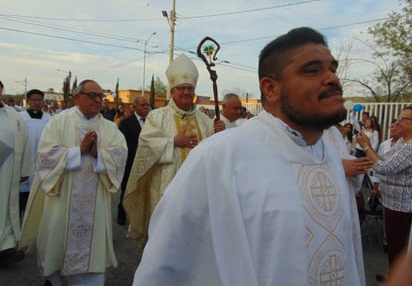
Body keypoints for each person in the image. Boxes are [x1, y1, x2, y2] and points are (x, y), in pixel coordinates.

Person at [131, 27, 365, 285]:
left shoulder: (329, 155)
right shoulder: (219, 157)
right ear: (270, 88)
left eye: (333, 68)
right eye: (312, 70)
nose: (332, 78)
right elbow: (165, 267)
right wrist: (171, 143)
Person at [19, 80, 127, 285]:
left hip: (94, 206)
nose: (97, 100)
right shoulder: (59, 122)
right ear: (77, 98)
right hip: (64, 202)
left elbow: (120, 155)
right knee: (57, 248)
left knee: (92, 268)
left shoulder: (109, 128)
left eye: (100, 96)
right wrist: (78, 151)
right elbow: (45, 157)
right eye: (92, 96)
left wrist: (99, 154)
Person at [123, 53, 225, 247]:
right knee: (166, 244)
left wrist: (220, 134)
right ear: (172, 90)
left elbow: (215, 155)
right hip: (166, 193)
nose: (186, 92)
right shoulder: (157, 117)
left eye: (190, 89)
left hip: (199, 194)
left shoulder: (206, 121)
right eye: (181, 89)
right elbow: (145, 147)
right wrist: (173, 142)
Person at [357, 106, 412, 280]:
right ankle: (393, 274)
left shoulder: (410, 146)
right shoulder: (402, 143)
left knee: (399, 246)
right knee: (394, 243)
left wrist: (366, 147)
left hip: (401, 205)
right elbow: (383, 160)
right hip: (390, 201)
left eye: (402, 119)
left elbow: (385, 167)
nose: (397, 122)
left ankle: (398, 278)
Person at [0, 80, 33, 266]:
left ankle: (5, 249)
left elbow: (25, 141)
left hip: (7, 172)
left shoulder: (15, 116)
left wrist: (26, 169)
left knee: (6, 209)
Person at [117, 96, 150, 226]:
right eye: (143, 105)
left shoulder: (153, 122)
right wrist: (143, 150)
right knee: (127, 189)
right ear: (134, 107)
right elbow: (123, 144)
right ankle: (122, 213)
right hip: (130, 162)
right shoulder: (125, 123)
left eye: (147, 105)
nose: (146, 107)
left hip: (148, 162)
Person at [19, 89, 52, 217]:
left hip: (43, 164)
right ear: (28, 101)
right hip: (25, 163)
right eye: (34, 100)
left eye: (40, 100)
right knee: (23, 198)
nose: (37, 103)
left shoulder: (49, 120)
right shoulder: (20, 119)